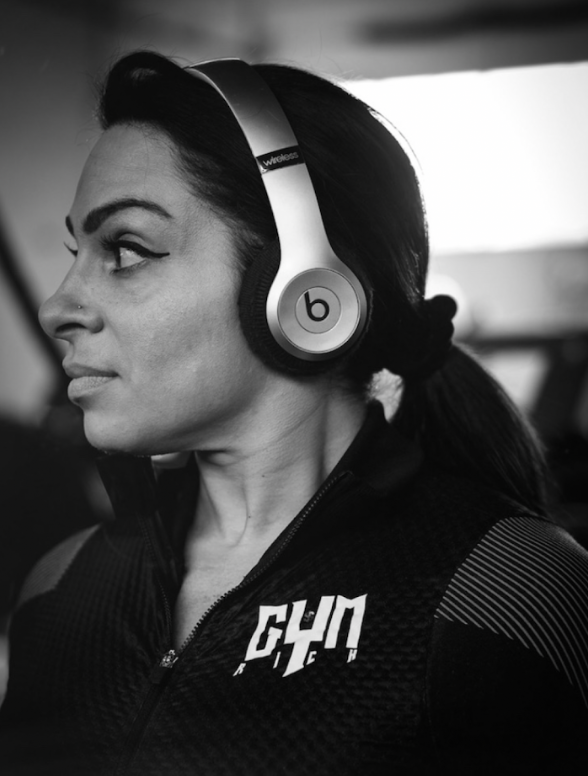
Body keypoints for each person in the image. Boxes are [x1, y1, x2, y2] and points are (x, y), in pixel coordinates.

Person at [0, 50, 587, 776]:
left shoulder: (505, 591)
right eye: (74, 252)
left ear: (309, 292)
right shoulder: (57, 591)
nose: (60, 307)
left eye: (124, 249)